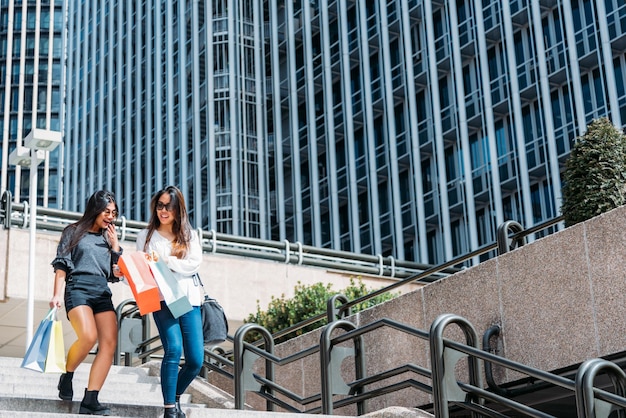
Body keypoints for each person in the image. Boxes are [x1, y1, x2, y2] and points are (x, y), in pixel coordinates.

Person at [50, 190, 124, 415]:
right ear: (95, 209)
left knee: (109, 344)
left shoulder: (108, 239)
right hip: (77, 288)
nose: (110, 217)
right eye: (106, 211)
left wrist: (115, 247)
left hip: (101, 290)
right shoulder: (73, 232)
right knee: (89, 337)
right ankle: (68, 374)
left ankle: (90, 399)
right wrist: (56, 294)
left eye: (114, 213)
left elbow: (116, 274)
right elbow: (62, 266)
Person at [136, 186, 203, 418]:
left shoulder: (189, 235)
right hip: (163, 300)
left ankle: (174, 396)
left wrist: (166, 261)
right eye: (160, 205)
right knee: (173, 349)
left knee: (195, 360)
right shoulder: (145, 236)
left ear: (178, 209)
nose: (163, 210)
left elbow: (193, 264)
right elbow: (142, 271)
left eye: (169, 206)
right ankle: (169, 409)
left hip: (189, 299)